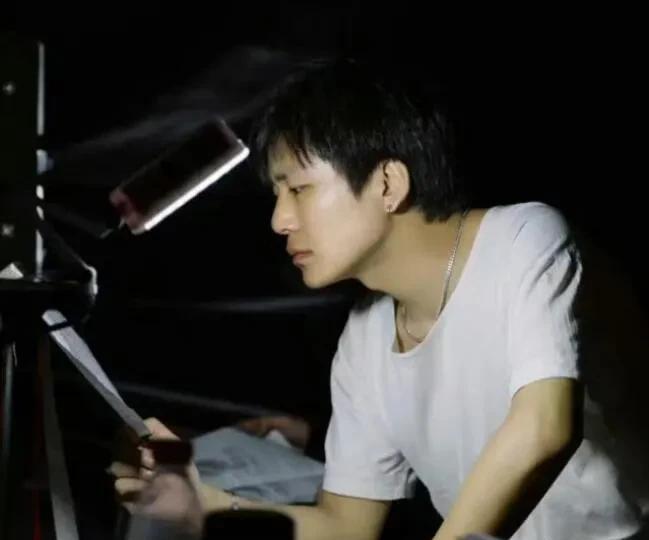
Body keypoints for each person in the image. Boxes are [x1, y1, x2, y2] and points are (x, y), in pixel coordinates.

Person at [113, 58, 649, 539]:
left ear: (388, 183)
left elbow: (543, 429)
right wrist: (203, 504)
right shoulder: (363, 342)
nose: (279, 220)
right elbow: (345, 527)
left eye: (298, 189)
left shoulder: (525, 239)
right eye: (277, 195)